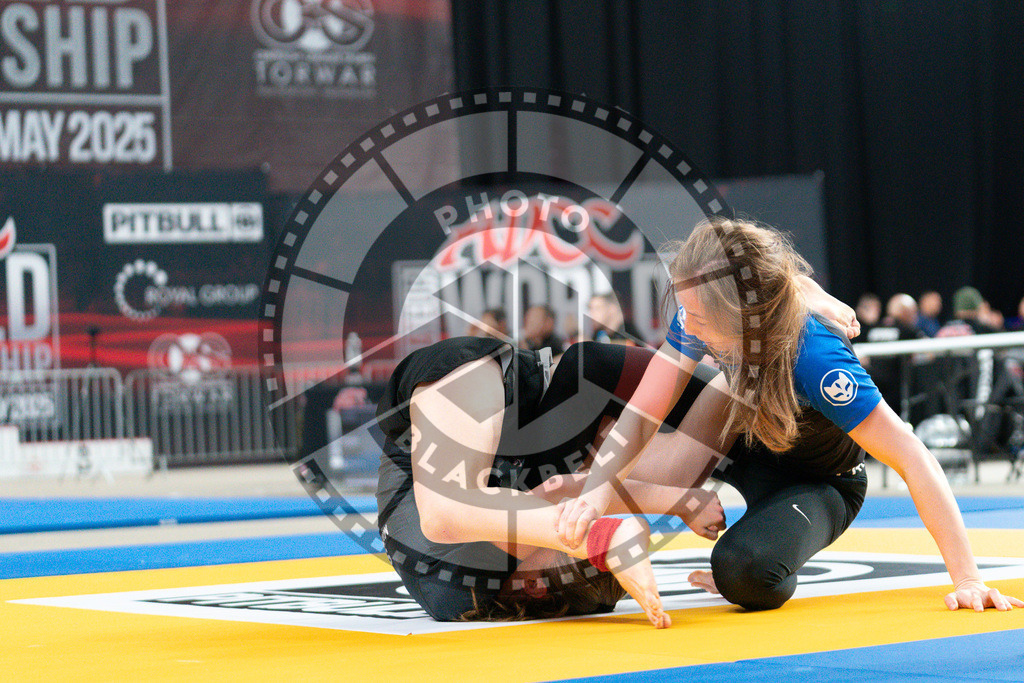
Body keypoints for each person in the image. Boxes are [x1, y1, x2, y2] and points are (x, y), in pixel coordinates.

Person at [557, 218, 1022, 614]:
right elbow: (642, 414)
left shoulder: (816, 358)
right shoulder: (710, 309)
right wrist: (595, 497)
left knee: (745, 572)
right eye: (685, 311)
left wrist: (967, 578)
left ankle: (767, 534)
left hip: (819, 482)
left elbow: (912, 457)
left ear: (743, 316)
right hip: (744, 439)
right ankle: (542, 514)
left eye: (699, 318)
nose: (685, 323)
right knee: (592, 367)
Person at [376, 336, 734, 627]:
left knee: (445, 516)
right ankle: (740, 379)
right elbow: (568, 491)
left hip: (465, 381)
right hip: (511, 412)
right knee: (670, 475)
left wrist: (675, 504)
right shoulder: (469, 592)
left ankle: (737, 378)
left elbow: (558, 490)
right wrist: (677, 497)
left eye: (570, 545)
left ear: (533, 586)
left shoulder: (465, 583)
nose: (568, 522)